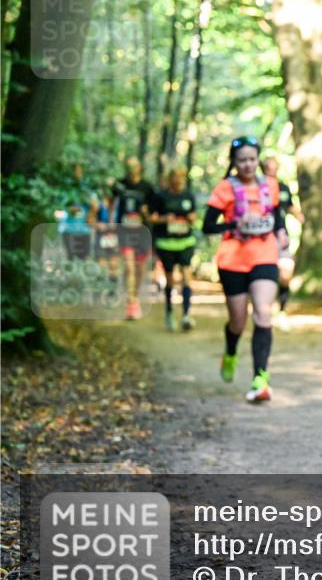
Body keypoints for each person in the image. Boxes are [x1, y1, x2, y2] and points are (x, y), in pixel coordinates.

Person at [202, 137, 288, 402]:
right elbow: (207, 226)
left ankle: (260, 379)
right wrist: (235, 225)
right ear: (234, 163)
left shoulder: (270, 185)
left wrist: (280, 231)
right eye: (242, 160)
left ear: (258, 160)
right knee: (238, 321)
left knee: (263, 312)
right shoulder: (225, 188)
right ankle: (230, 352)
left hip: (264, 255)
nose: (248, 165)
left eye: (252, 159)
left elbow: (276, 216)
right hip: (233, 260)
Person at [150, 166, 198, 332]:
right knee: (170, 278)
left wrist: (192, 218)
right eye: (175, 177)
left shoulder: (188, 196)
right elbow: (152, 217)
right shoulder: (161, 196)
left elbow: (194, 216)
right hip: (166, 243)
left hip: (185, 242)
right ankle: (169, 312)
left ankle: (186, 314)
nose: (178, 181)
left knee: (186, 275)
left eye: (181, 177)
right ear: (170, 179)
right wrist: (164, 219)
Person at [111, 157, 156, 320]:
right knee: (129, 266)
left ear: (139, 168)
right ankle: (131, 302)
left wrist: (146, 213)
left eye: (134, 166)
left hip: (142, 233)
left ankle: (134, 297)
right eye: (128, 166)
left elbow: (153, 212)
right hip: (124, 231)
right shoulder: (119, 184)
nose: (131, 169)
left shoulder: (147, 187)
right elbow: (110, 202)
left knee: (139, 268)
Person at [262, 157, 304, 332]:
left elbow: (290, 208)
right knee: (267, 275)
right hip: (261, 239)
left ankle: (282, 311)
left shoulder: (283, 188)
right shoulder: (257, 187)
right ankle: (265, 310)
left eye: (275, 168)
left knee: (286, 273)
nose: (272, 171)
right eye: (269, 168)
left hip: (281, 237)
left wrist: (300, 217)